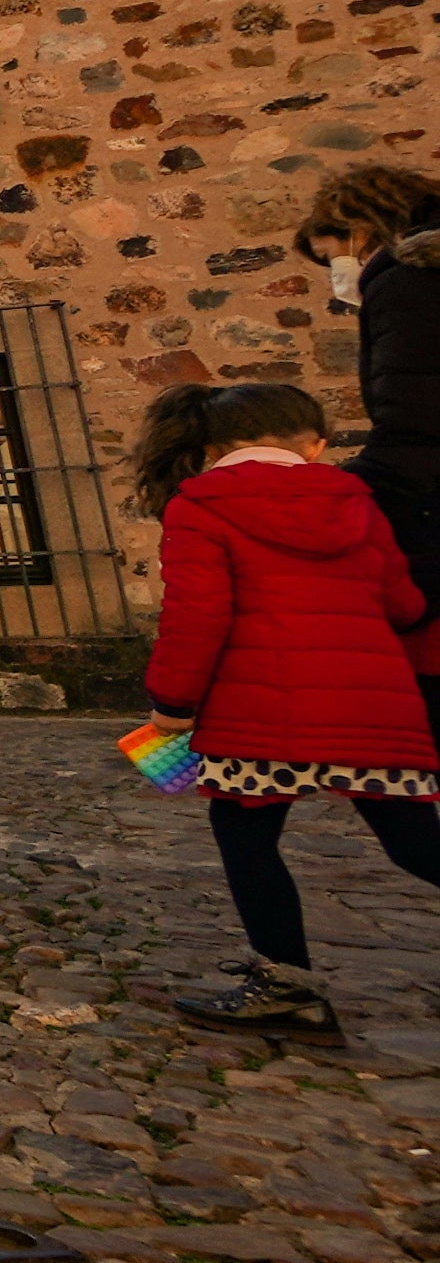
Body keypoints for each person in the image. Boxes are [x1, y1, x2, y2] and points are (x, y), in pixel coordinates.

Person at [133, 380, 440, 1044]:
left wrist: (172, 705)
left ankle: (288, 988)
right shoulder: (356, 500)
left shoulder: (201, 504)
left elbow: (197, 614)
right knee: (417, 845)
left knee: (247, 839)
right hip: (372, 705)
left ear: (209, 448)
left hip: (259, 713)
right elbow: (403, 605)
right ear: (319, 443)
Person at [297, 163, 440, 730]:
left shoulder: (408, 280)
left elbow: (415, 408)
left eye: (334, 253)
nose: (339, 271)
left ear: (362, 229)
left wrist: (355, 486)